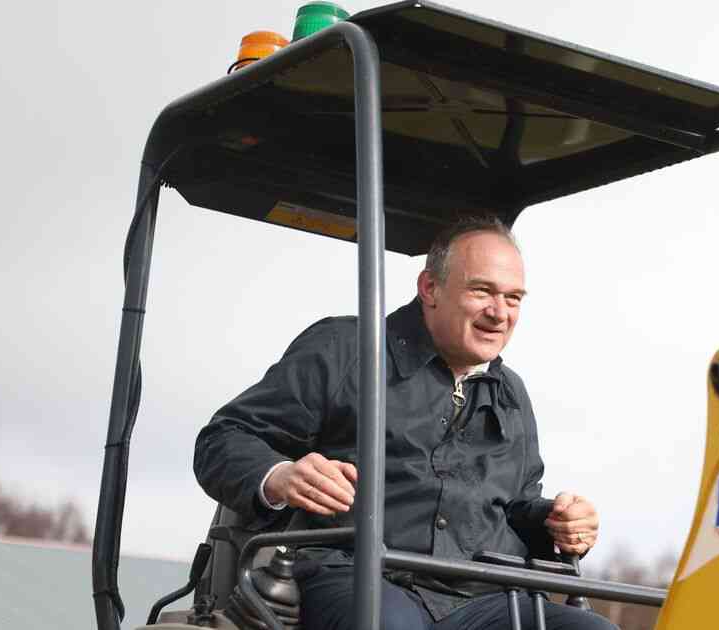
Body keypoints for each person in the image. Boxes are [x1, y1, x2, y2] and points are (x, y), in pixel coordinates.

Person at [194, 217, 616, 630]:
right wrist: (282, 475)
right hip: (357, 575)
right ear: (430, 288)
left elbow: (518, 506)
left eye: (514, 298)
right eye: (483, 291)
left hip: (481, 598)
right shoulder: (346, 351)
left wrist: (557, 521)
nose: (499, 313)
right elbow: (223, 440)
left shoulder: (511, 394)